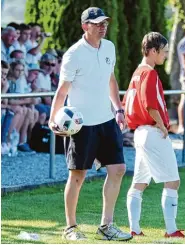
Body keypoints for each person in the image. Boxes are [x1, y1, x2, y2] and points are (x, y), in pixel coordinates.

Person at [48, 7, 132, 241]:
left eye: (104, 22)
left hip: (107, 120)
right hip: (81, 125)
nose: (102, 26)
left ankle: (107, 226)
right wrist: (53, 118)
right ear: (85, 26)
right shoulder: (74, 54)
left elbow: (111, 80)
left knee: (118, 170)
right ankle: (71, 228)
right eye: (96, 23)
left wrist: (118, 109)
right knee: (77, 176)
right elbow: (62, 90)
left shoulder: (109, 47)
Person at [123, 32, 185, 238]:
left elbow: (128, 104)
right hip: (152, 131)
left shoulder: (137, 72)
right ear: (153, 51)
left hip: (140, 132)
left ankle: (134, 228)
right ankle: (171, 230)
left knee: (139, 182)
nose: (166, 55)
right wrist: (162, 127)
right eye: (164, 51)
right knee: (172, 181)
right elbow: (150, 104)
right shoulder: (149, 73)